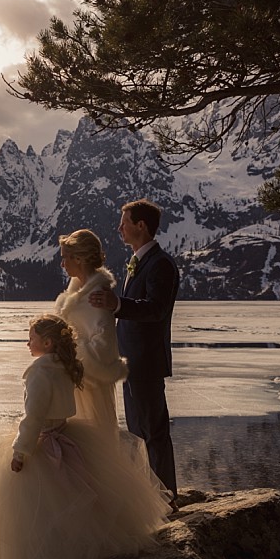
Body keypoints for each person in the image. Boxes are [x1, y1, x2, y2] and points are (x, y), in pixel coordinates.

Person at [0, 313, 169, 559]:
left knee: (43, 504)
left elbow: (34, 417)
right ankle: (88, 545)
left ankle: (50, 557)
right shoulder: (65, 367)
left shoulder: (40, 372)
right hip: (69, 435)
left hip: (43, 442)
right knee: (80, 495)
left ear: (48, 343)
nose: (27, 344)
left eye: (31, 339)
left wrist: (21, 452)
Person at [90, 199, 180, 509]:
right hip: (132, 362)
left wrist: (117, 305)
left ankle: (166, 498)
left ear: (141, 226)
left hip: (146, 361)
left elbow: (156, 310)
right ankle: (151, 496)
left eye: (124, 222)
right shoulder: (141, 262)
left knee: (153, 433)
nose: (119, 228)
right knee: (139, 434)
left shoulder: (161, 264)